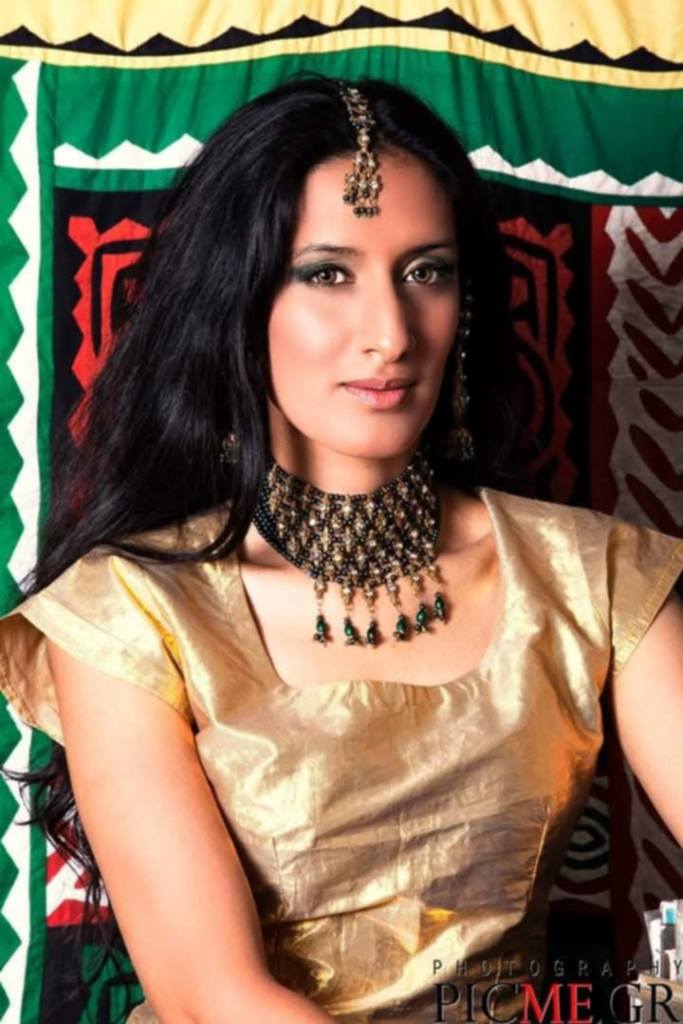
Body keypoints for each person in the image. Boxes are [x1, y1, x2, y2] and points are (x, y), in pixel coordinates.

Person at [0, 75, 681, 1024]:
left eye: (426, 272)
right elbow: (210, 997)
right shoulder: (129, 608)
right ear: (238, 301)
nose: (389, 334)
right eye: (327, 274)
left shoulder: (588, 575)